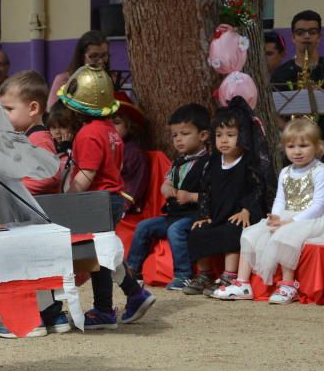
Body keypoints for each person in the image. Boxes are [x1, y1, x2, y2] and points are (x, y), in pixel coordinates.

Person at [57, 65, 155, 329]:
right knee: (99, 254)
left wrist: (67, 196)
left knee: (98, 255)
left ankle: (116, 303)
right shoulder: (109, 129)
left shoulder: (88, 134)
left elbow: (86, 173)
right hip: (109, 198)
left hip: (94, 200)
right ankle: (120, 301)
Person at [0, 70, 71, 339]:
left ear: (34, 108)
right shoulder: (29, 136)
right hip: (34, 217)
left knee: (23, 268)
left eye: (8, 109)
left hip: (34, 218)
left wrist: (13, 187)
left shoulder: (38, 138)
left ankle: (29, 321)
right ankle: (52, 315)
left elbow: (49, 174)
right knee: (38, 269)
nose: (2, 115)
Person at [212, 118, 324, 304]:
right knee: (250, 234)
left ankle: (288, 285)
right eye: (291, 146)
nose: (297, 151)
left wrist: (290, 222)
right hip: (286, 216)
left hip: (311, 219)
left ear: (317, 147)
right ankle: (242, 283)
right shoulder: (286, 172)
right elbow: (280, 199)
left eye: (303, 146)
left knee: (285, 236)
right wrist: (276, 217)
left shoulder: (319, 171)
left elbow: (319, 205)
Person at [122, 104, 212, 293]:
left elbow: (213, 195)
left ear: (203, 136)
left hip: (195, 215)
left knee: (176, 230)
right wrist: (167, 188)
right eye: (175, 135)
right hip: (173, 213)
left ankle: (183, 275)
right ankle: (133, 268)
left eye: (185, 134)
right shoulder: (178, 161)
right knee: (144, 226)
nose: (179, 139)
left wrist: (191, 196)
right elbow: (167, 181)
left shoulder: (208, 164)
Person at [187, 100, 269, 294]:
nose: (224, 140)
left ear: (244, 136)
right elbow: (206, 190)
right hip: (217, 214)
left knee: (233, 231)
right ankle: (204, 274)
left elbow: (259, 189)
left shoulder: (248, 163)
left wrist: (246, 210)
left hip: (240, 215)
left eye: (231, 135)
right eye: (219, 135)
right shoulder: (213, 162)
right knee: (199, 230)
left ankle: (229, 275)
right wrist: (204, 215)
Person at [48, 31, 111, 110]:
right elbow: (52, 113)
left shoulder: (112, 79)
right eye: (94, 56)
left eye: (104, 55)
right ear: (82, 57)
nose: (101, 61)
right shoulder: (64, 80)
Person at [111, 93, 150, 214]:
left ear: (129, 125)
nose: (110, 128)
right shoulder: (102, 148)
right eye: (106, 123)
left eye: (116, 122)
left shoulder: (134, 154)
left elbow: (130, 193)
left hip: (120, 211)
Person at [271, 10, 324, 87]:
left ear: (319, 37)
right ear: (293, 38)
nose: (306, 36)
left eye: (312, 32)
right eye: (300, 33)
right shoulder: (279, 74)